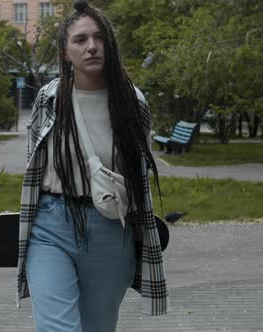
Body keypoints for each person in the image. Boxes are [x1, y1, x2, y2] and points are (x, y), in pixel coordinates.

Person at [16, 0, 170, 330]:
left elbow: (138, 169)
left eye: (99, 38)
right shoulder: (49, 98)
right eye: (81, 40)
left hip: (110, 228)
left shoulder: (132, 101)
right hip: (51, 225)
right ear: (65, 51)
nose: (92, 47)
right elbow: (34, 161)